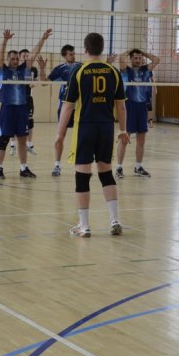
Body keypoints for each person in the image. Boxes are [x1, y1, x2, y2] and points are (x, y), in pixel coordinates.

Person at [54, 32, 129, 237]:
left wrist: (59, 134)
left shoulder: (78, 72)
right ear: (102, 49)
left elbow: (67, 106)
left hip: (84, 128)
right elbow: (121, 106)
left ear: (85, 49)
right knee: (106, 173)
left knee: (82, 175)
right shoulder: (113, 72)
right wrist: (123, 130)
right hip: (106, 128)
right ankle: (114, 220)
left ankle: (84, 226)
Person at [0, 28, 51, 180]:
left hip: (22, 109)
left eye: (15, 59)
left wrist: (43, 39)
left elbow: (33, 54)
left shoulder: (23, 70)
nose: (14, 61)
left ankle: (23, 168)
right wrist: (5, 41)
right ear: (8, 60)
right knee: (3, 140)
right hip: (8, 109)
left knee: (22, 140)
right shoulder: (2, 71)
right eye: (11, 58)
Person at [114, 48, 159, 178]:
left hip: (142, 107)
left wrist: (143, 53)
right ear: (131, 59)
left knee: (141, 140)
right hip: (129, 107)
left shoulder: (146, 70)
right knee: (124, 139)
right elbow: (121, 58)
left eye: (140, 58)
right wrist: (130, 51)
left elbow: (157, 60)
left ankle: (138, 167)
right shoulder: (126, 71)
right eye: (135, 58)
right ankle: (119, 168)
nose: (138, 60)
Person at [47, 44, 80, 176]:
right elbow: (44, 82)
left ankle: (81, 165)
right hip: (64, 106)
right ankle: (57, 165)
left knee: (82, 137)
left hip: (79, 106)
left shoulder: (81, 66)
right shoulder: (60, 69)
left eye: (73, 53)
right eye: (70, 54)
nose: (73, 55)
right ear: (64, 56)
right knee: (60, 137)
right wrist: (42, 68)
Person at [9, 48, 42, 157]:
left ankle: (29, 145)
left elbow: (35, 82)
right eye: (24, 56)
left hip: (28, 98)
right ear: (19, 57)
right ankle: (12, 145)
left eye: (27, 55)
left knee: (30, 122)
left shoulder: (33, 69)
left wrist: (34, 83)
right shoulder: (16, 69)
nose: (26, 57)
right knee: (13, 121)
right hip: (15, 98)